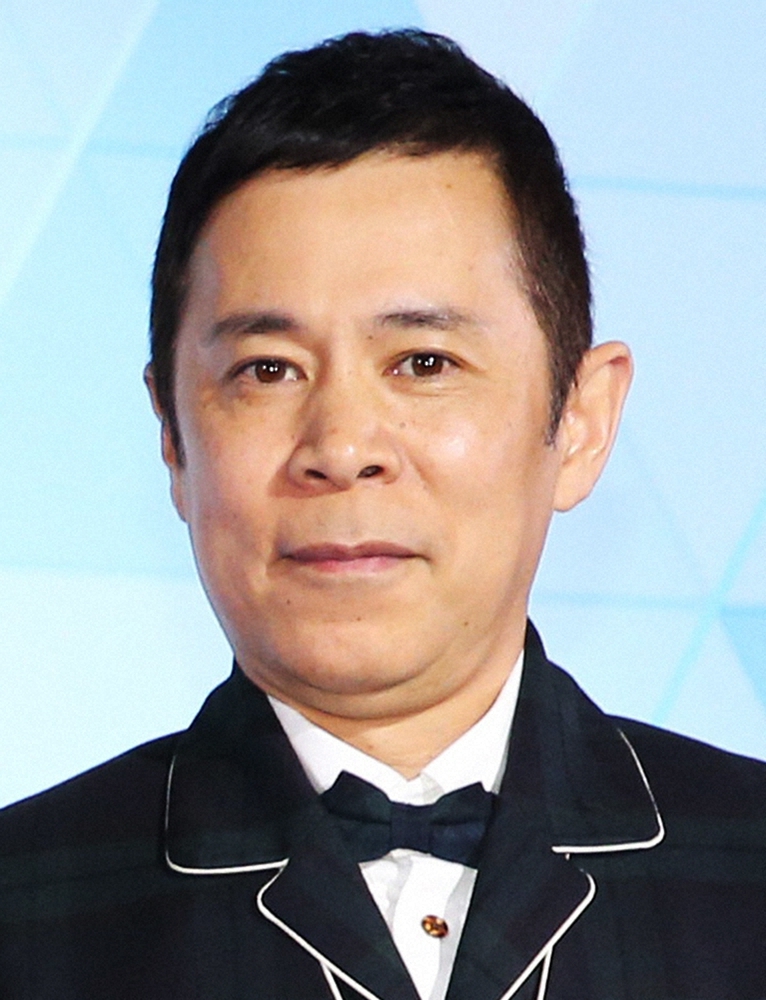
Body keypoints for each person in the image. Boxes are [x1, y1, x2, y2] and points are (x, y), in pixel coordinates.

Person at [1, 28, 764, 1000]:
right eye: (267, 370)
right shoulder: (27, 906)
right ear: (173, 438)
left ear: (579, 420)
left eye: (423, 362)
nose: (342, 444)